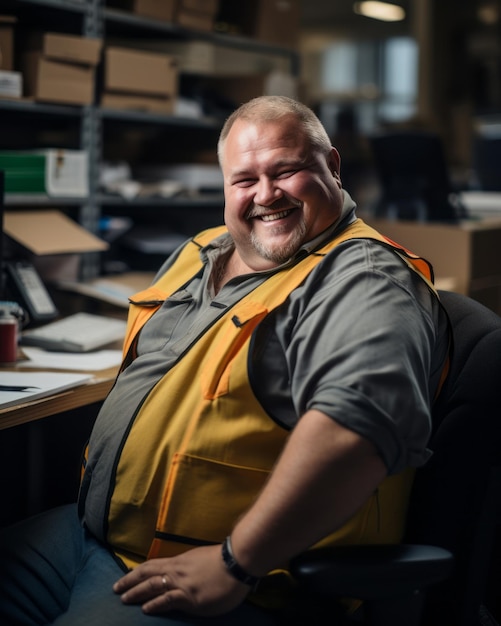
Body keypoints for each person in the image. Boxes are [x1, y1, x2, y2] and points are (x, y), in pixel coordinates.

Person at [0, 96, 450, 626]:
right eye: (244, 180)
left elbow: (358, 432)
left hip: (227, 578)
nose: (265, 195)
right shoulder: (201, 252)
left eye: (287, 171)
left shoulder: (363, 280)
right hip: (96, 537)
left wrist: (236, 563)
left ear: (332, 166)